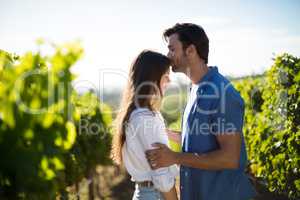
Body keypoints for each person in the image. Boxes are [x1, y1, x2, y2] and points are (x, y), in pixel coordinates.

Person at [146, 23, 256, 200]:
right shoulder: (195, 88)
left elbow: (229, 158)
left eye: (172, 49)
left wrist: (175, 157)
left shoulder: (222, 93)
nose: (168, 55)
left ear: (190, 50)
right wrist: (166, 134)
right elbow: (201, 138)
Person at [111, 50, 179, 200]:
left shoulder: (139, 114)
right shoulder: (145, 117)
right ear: (153, 79)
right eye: (166, 77)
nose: (169, 82)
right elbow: (161, 174)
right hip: (155, 194)